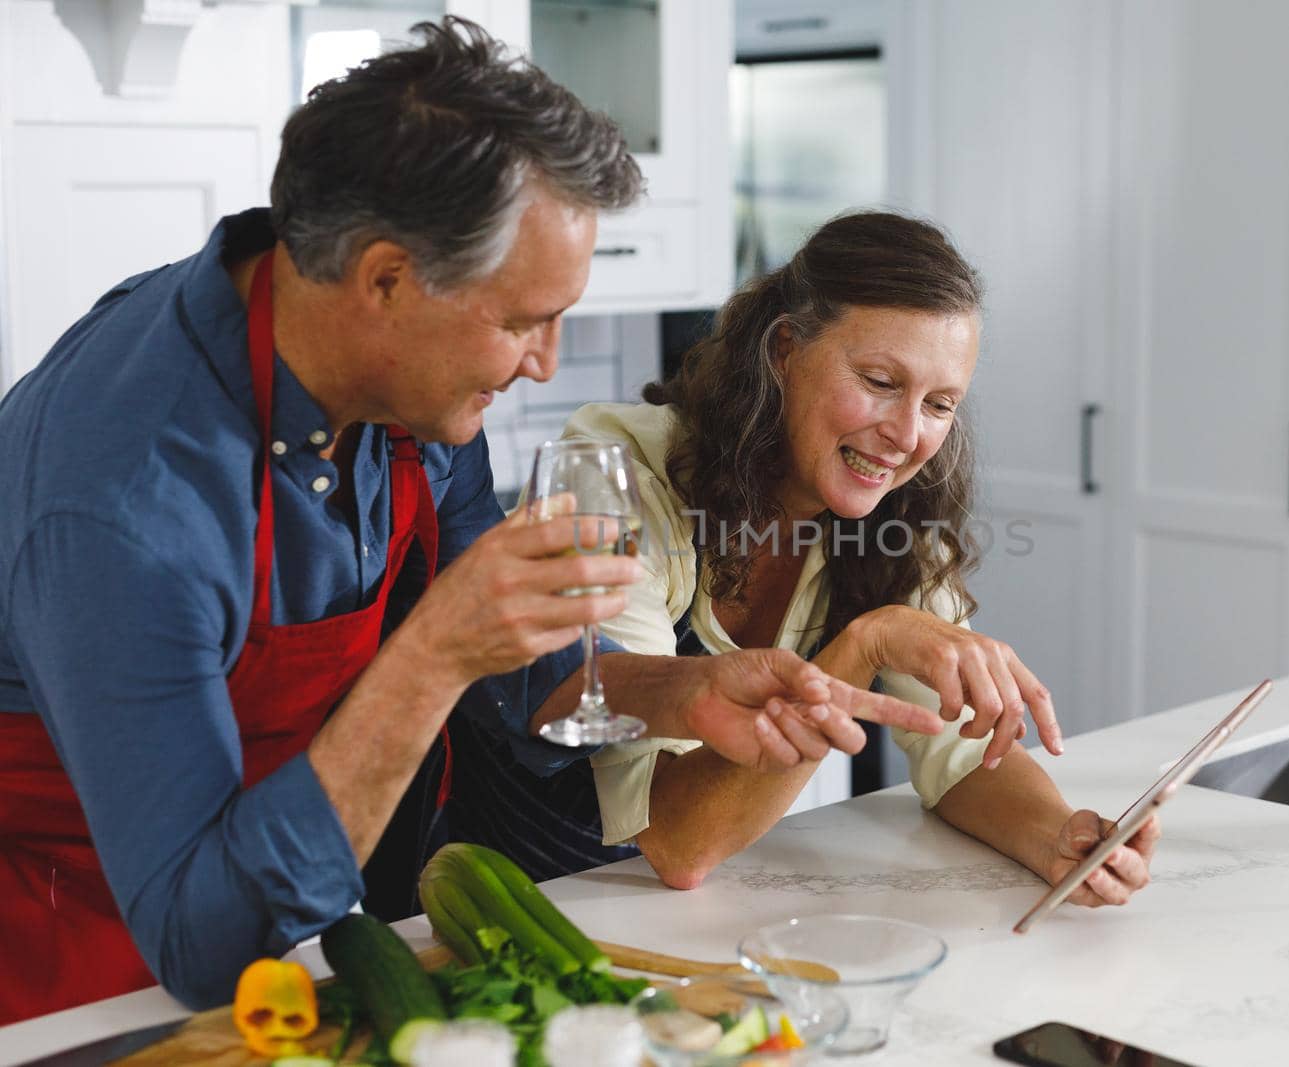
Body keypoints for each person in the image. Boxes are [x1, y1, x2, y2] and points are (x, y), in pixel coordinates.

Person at [0, 20, 939, 1023]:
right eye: (524, 318)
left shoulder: (408, 386)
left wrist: (686, 690)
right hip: (71, 964)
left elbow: (514, 671)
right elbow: (202, 936)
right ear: (386, 280)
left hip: (285, 903)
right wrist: (434, 647)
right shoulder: (128, 501)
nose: (544, 360)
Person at [549, 212, 1161, 898]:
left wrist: (1060, 839)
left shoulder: (892, 514)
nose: (905, 435)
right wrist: (866, 642)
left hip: (689, 918)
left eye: (939, 403)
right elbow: (677, 841)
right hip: (529, 902)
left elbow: (959, 752)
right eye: (878, 380)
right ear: (784, 350)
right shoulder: (618, 482)